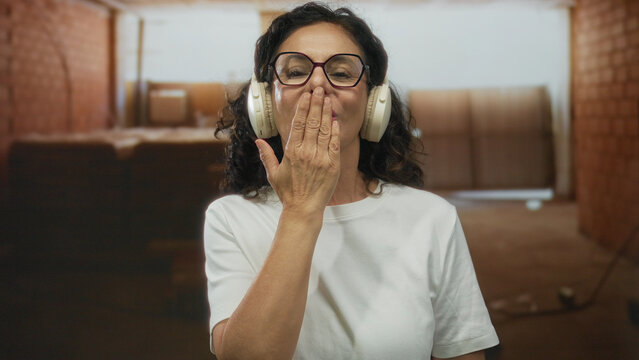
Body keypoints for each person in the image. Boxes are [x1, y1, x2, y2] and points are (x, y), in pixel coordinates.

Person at [204, 2, 499, 359]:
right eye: (295, 71)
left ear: (375, 102)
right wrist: (300, 211)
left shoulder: (432, 218)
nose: (317, 84)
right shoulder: (230, 219)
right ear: (264, 102)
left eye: (341, 73)